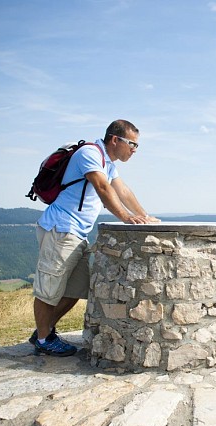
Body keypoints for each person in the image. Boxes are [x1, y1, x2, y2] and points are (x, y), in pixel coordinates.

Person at [30, 119, 160, 356]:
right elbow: (102, 188)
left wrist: (144, 216)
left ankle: (44, 329)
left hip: (77, 233)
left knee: (75, 289)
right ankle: (42, 338)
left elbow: (122, 190)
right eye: (132, 144)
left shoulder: (107, 163)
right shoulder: (90, 153)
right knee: (48, 290)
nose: (134, 149)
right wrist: (125, 217)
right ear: (115, 139)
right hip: (61, 229)